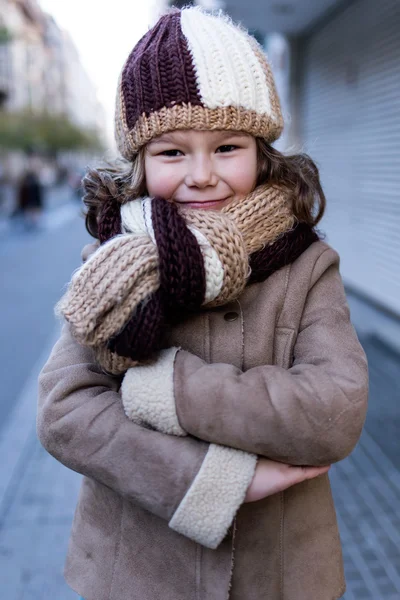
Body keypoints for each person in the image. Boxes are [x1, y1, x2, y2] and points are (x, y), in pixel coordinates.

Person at [37, 7, 368, 600]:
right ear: (138, 163)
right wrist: (220, 481)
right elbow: (66, 410)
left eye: (226, 147)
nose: (202, 175)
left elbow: (335, 409)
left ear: (262, 152)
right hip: (135, 571)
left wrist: (159, 390)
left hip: (282, 572)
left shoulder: (307, 265)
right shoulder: (114, 269)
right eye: (171, 152)